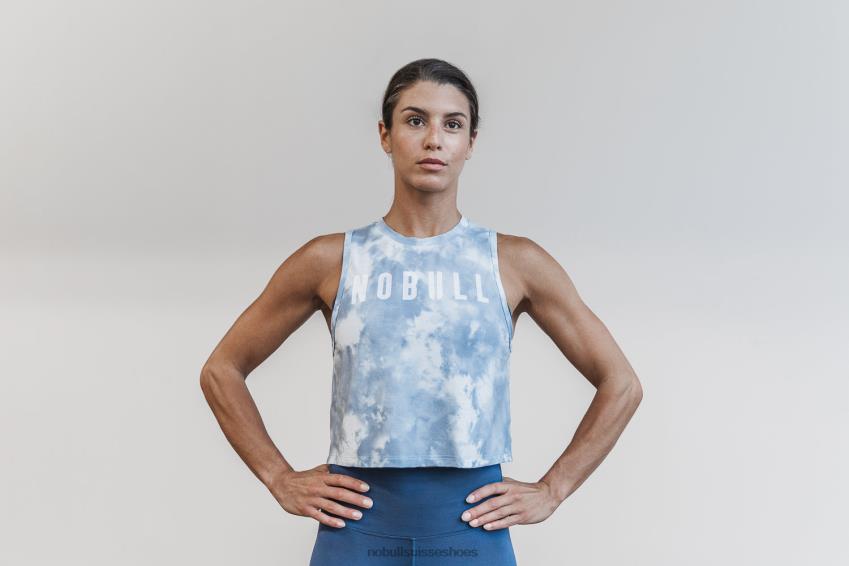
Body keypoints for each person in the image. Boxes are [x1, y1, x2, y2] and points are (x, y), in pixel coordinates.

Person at [199, 58, 643, 565]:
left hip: (470, 533)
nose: (434, 139)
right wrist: (278, 477)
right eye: (415, 120)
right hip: (356, 534)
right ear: (385, 135)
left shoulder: (513, 262)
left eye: (452, 124)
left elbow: (622, 384)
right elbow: (221, 370)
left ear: (470, 142)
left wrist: (553, 488)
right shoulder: (332, 260)